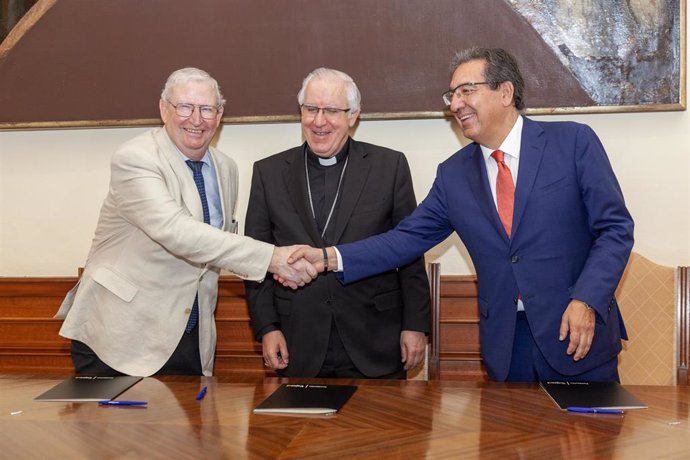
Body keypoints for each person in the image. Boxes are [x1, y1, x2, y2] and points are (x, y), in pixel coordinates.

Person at [289, 48, 634, 382]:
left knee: (589, 442)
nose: (455, 104)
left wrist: (587, 299)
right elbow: (404, 239)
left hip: (576, 335)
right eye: (451, 95)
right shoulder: (454, 175)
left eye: (467, 91)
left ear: (505, 92)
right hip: (507, 345)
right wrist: (328, 258)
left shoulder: (573, 142)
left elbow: (615, 230)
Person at [55, 67, 316, 377]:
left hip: (190, 337)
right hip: (119, 337)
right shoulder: (136, 158)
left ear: (219, 116)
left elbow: (216, 247)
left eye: (207, 109)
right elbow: (178, 232)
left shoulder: (225, 168)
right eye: (185, 107)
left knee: (189, 426)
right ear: (164, 109)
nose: (196, 119)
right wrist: (274, 258)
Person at [244, 67, 430, 379]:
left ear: (353, 115)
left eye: (331, 110)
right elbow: (257, 257)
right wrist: (267, 328)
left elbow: (409, 250)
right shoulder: (268, 173)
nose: (319, 121)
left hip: (375, 339)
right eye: (311, 109)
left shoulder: (389, 166)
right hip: (297, 340)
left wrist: (415, 325)